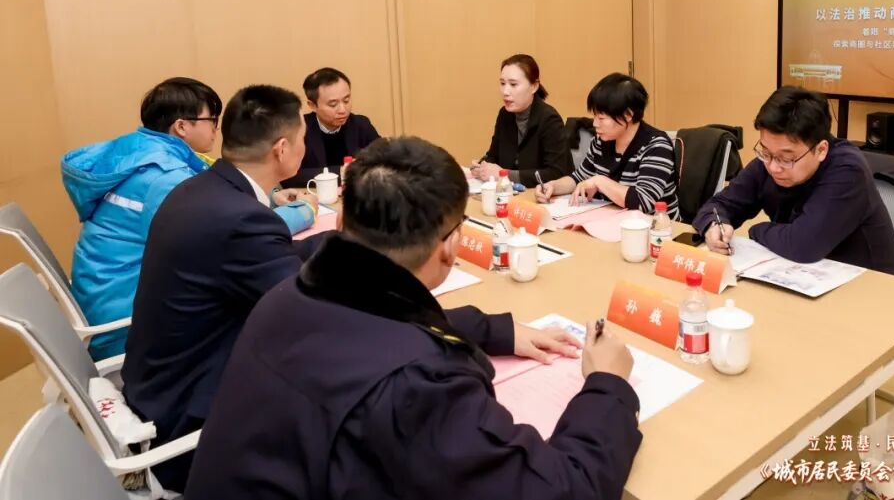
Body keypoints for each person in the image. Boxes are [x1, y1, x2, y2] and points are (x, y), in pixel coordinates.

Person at [185, 136, 642, 500]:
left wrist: (495, 331)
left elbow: (378, 324)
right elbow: (562, 490)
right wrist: (608, 385)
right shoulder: (418, 387)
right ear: (451, 246)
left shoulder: (290, 295)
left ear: (341, 223)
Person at [122, 85, 326, 492]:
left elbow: (268, 257)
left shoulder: (202, 189)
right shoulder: (241, 218)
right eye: (303, 138)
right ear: (282, 149)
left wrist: (341, 244)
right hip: (191, 425)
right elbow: (309, 314)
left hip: (158, 387)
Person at [60, 78, 315, 361]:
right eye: (211, 119)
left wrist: (270, 197)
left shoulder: (143, 154)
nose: (216, 128)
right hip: (129, 321)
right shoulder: (165, 177)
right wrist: (304, 211)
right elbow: (232, 230)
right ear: (181, 126)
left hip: (111, 289)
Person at [692, 86, 894, 275]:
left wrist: (756, 230)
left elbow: (804, 245)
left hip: (869, 287)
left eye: (787, 159)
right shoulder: (769, 161)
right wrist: (713, 225)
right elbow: (718, 205)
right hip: (802, 277)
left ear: (821, 150)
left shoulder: (848, 170)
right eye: (766, 152)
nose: (773, 167)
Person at [536, 73, 679, 219]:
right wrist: (553, 186)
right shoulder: (602, 141)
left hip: (657, 227)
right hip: (613, 220)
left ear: (628, 115)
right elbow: (579, 178)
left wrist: (599, 181)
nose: (595, 124)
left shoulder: (657, 146)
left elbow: (643, 202)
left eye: (601, 118)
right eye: (595, 116)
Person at [470, 54, 572, 187]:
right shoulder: (505, 114)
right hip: (512, 191)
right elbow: (493, 156)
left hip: (545, 194)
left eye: (513, 84)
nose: (505, 91)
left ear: (534, 86)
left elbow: (556, 173)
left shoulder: (549, 119)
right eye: (502, 83)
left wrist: (505, 174)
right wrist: (482, 167)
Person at [282, 67, 380, 187]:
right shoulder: (298, 130)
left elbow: (386, 162)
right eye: (333, 104)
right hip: (314, 196)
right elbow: (287, 176)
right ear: (312, 105)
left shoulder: (361, 125)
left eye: (346, 100)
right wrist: (341, 172)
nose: (342, 110)